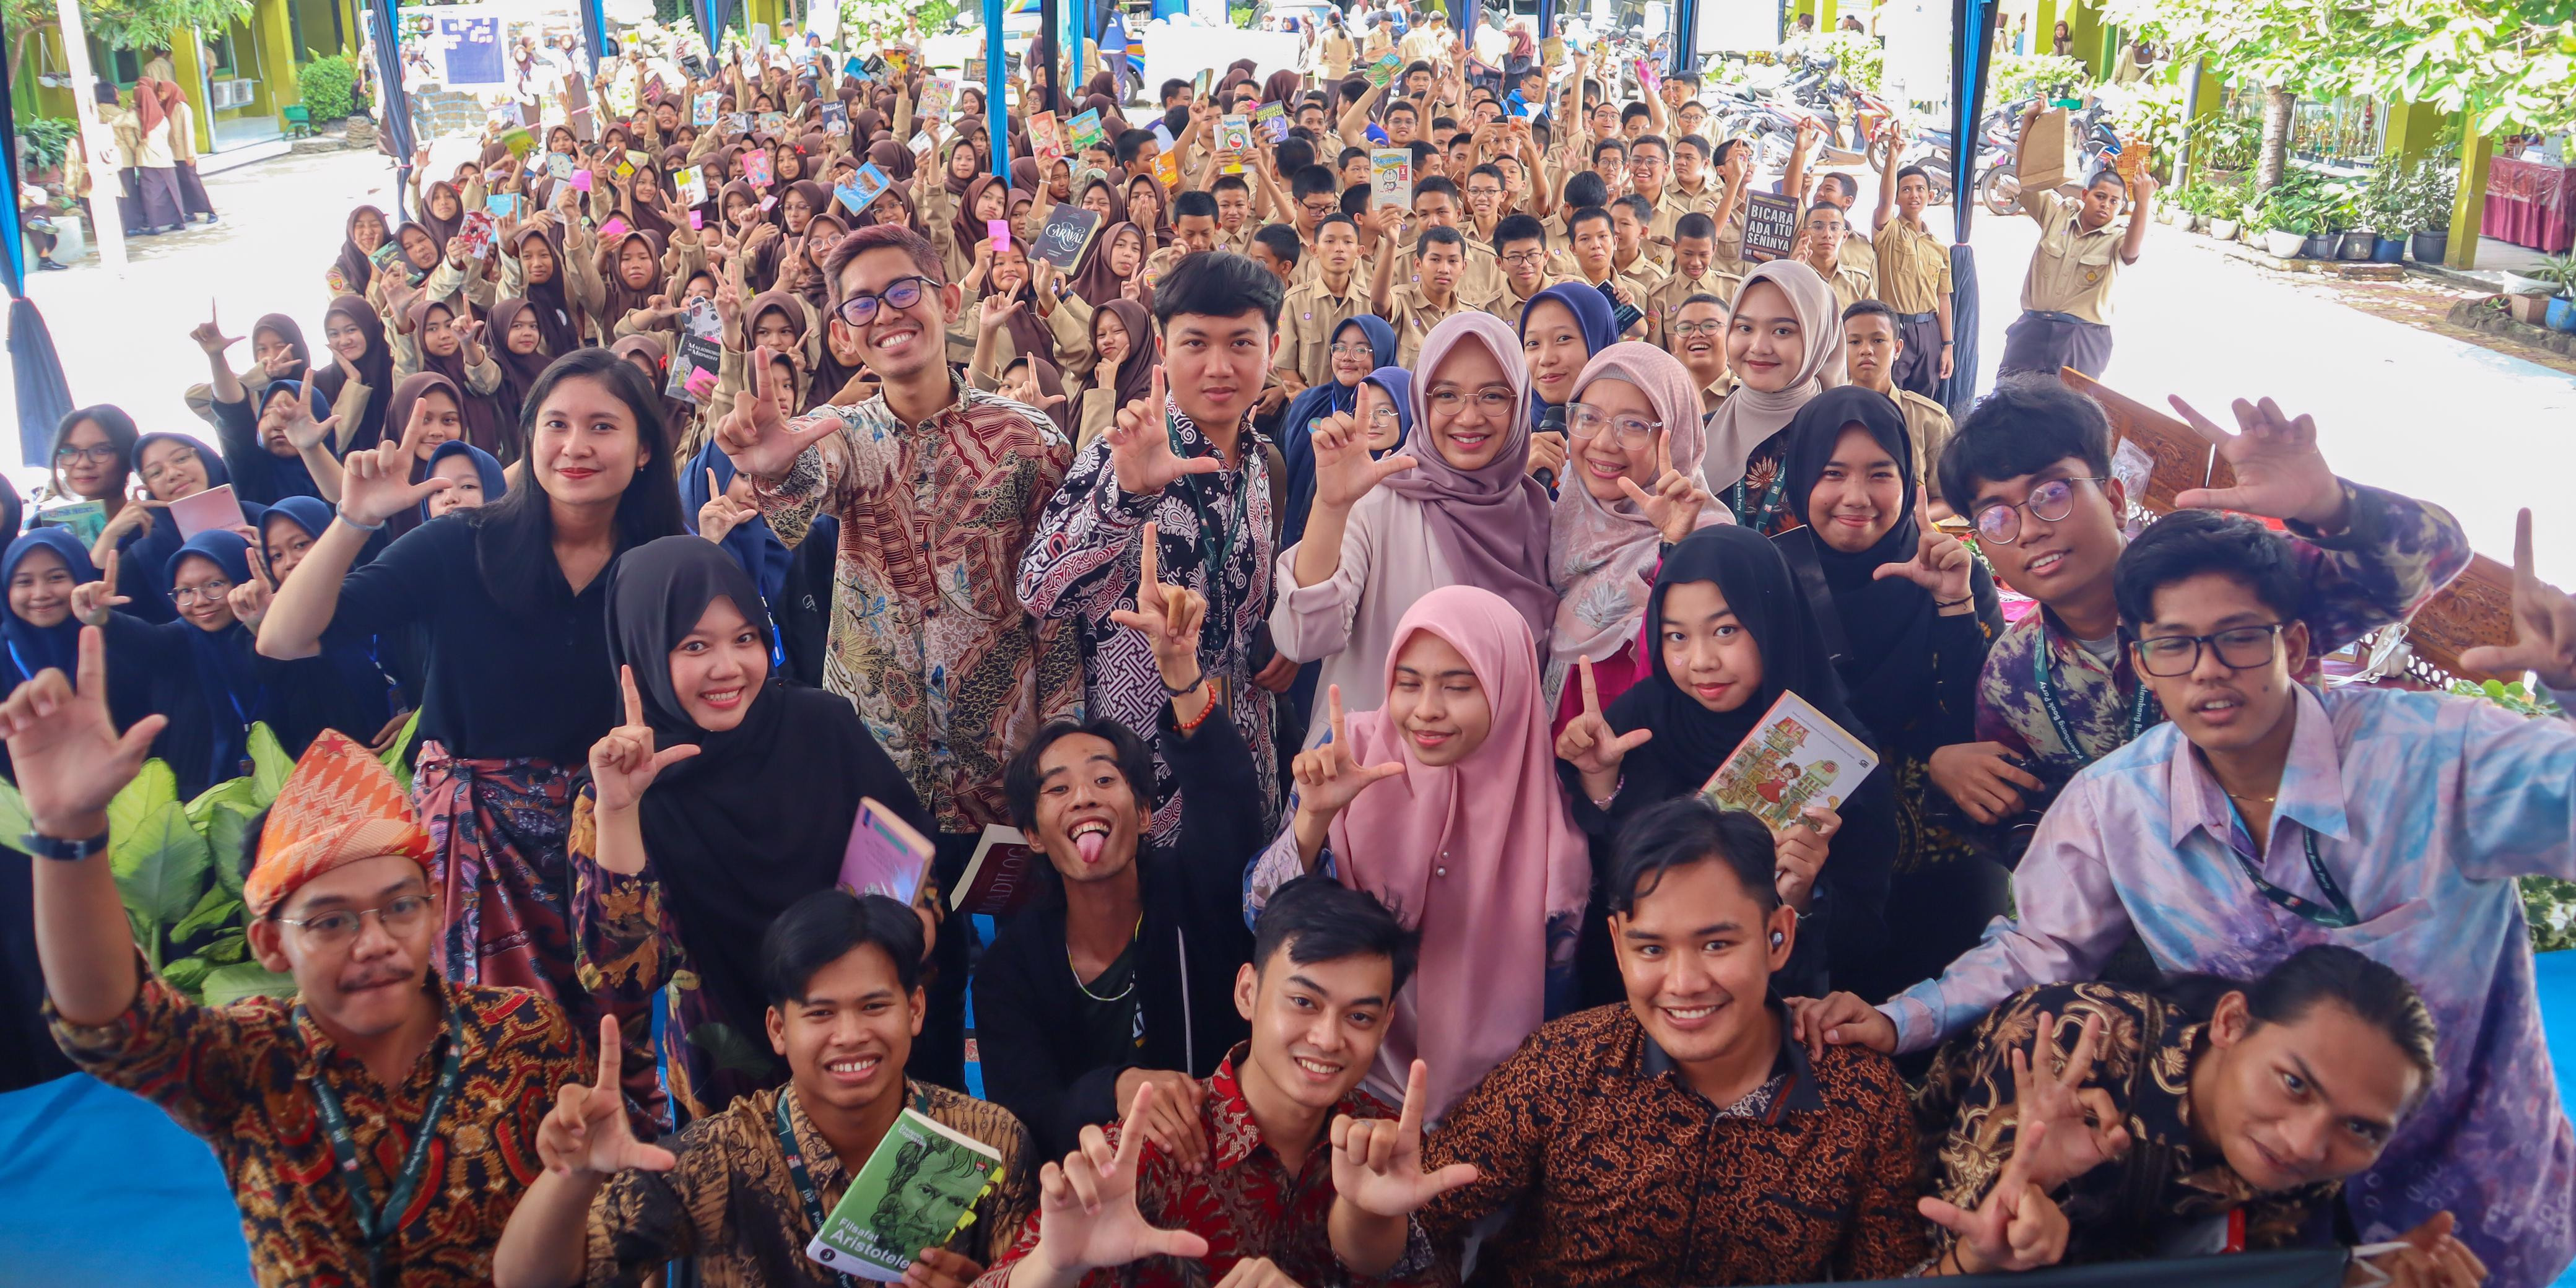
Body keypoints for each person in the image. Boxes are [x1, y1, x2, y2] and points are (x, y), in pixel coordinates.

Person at [1799, 503, 2576, 1288]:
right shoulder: (2116, 807)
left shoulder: (2431, 758)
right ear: (2142, 663)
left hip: (2476, 1205)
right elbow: (2038, 946)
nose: (2207, 670)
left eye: (2239, 636)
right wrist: (1897, 1019)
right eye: (2173, 644)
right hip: (2275, 1216)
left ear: (2294, 644)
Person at [17, 635, 586, 1286]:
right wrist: (69, 831)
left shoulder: (524, 1035)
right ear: (270, 946)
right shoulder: (251, 1058)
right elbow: (112, 1024)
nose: (374, 942)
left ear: (435, 909)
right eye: (331, 921)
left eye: (399, 908)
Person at [1328, 796, 2068, 1285]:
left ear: (1777, 936)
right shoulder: (1562, 1066)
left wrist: (1972, 1260)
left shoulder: (1857, 1098)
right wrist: (1368, 1215)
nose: (1681, 983)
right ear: (1616, 946)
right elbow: (1408, 1235)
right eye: (1651, 950)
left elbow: (1886, 1277)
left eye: (1716, 945)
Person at [258, 349, 687, 1008]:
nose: (575, 446)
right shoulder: (464, 542)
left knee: (610, 1026)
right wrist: (354, 520)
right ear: (529, 438)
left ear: (644, 450)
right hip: (474, 842)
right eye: (556, 425)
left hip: (608, 826)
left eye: (603, 427)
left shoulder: (663, 563)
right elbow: (285, 637)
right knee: (492, 1037)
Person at [1925, 385, 2469, 825]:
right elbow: (2026, 818)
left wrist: (2329, 505)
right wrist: (1949, 768)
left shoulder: (2231, 580)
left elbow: (2440, 555)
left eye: (2051, 494)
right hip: (2155, 929)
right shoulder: (2013, 675)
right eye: (1997, 516)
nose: (2029, 531)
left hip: (2311, 889)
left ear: (2114, 499)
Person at [490, 890, 1037, 1288]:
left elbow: (1032, 1271)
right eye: (820, 1013)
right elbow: (528, 1280)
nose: (850, 1036)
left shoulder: (988, 1141)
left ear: (915, 1010)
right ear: (779, 1029)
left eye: (874, 1006)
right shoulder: (714, 1158)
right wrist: (575, 1177)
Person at [564, 534, 932, 1121]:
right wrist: (619, 811)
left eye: (745, 638)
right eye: (693, 645)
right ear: (641, 652)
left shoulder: (822, 727)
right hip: (734, 1076)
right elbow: (620, 976)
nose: (727, 667)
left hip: (865, 1045)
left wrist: (910, 929)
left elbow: (912, 864)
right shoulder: (616, 788)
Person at [1881, 946, 2469, 1276]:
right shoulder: (2074, 1044)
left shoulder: (2311, 1168)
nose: (2308, 1144)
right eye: (2294, 1083)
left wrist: (2360, 1275)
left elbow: (2242, 1269)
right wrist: (2022, 1201)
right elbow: (1946, 1255)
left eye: (2362, 1127)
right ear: (2230, 1022)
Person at [974, 876, 1438, 1288]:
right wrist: (1053, 1269)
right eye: (1303, 1002)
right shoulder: (1150, 1149)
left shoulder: (1388, 1144)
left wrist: (1377, 1225)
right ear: (1247, 993)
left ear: (1385, 1023)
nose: (1328, 1038)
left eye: (1359, 1016)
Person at [1248, 585, 1590, 1120]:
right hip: (1341, 1082)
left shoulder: (1556, 809)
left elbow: (1565, 994)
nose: (1426, 711)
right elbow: (1261, 915)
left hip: (1494, 1113)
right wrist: (1314, 818)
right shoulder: (1348, 755)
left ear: (1509, 688)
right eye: (1408, 684)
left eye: (1457, 687)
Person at [977, 534, 1267, 1158]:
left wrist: (1181, 675)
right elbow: (1024, 1113)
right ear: (1031, 833)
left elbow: (1231, 808)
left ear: (1142, 811)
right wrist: (1115, 1088)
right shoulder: (1011, 968)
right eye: (1057, 789)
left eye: (1105, 779)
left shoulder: (1195, 900)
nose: (1084, 796)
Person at [1552, 524, 1895, 1000]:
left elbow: (1864, 935)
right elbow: (1602, 887)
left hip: (1769, 1011)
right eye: (1676, 636)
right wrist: (1600, 783)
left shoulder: (1838, 751)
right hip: (1640, 998)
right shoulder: (1641, 719)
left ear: (1774, 621)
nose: (1701, 660)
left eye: (1726, 630)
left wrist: (1803, 898)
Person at [1017, 251, 1293, 833]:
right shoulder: (1119, 453)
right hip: (1146, 785)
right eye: (1196, 343)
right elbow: (1039, 592)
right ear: (1164, 347)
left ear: (1271, 348)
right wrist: (1126, 496)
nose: (1219, 366)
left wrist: (1283, 643)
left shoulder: (1263, 463)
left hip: (1244, 766)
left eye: (1241, 343)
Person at [1770, 386, 2003, 998]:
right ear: (1799, 478)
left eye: (1880, 474)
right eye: (1831, 473)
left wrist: (1951, 605)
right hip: (1810, 865)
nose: (1855, 497)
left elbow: (1981, 727)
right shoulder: (1769, 577)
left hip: (1938, 866)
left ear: (1909, 482)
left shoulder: (1956, 571)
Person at [1271, 311, 1556, 748]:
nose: (1469, 416)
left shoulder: (1538, 516)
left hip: (1493, 788)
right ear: (1422, 402)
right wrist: (1331, 508)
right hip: (1377, 783)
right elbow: (1302, 639)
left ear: (1520, 404)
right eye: (1446, 395)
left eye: (1494, 396)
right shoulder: (1380, 503)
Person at [1543, 341, 1723, 719]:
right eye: (1588, 418)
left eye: (1635, 425)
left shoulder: (1709, 541)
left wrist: (1675, 547)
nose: (1604, 443)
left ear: (1677, 436)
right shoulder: (1558, 516)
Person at [1996, 105, 2156, 382]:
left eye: (2114, 201)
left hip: (2082, 338)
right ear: (2086, 194)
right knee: (2009, 404)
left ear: (2120, 208)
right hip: (2032, 330)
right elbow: (2028, 177)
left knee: (2069, 416)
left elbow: (2131, 252)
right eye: (2100, 196)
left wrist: (2143, 202)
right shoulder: (2055, 215)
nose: (2106, 205)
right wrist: (2028, 123)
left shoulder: (2117, 236)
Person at [1701, 260, 1841, 534]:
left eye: (1783, 331)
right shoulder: (1701, 434)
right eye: (1745, 328)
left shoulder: (1844, 437)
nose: (1759, 347)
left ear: (1818, 338)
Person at [1276, 313, 1397, 549]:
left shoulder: (1393, 414)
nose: (1347, 358)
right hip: (1291, 538)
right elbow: (1280, 461)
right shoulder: (1307, 402)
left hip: (1354, 544)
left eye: (1361, 350)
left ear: (1383, 353)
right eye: (1339, 348)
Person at [1840, 300, 1955, 500]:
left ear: (1898, 348)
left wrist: (1907, 523)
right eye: (1855, 342)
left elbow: (1948, 500)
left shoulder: (1930, 420)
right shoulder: (1825, 413)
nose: (1866, 350)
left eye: (1878, 340)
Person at [1868, 153, 1953, 398]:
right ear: (1897, 196)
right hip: (1895, 327)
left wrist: (1947, 346)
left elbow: (1943, 298)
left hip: (1929, 331)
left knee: (1924, 402)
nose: (1914, 195)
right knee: (1887, 396)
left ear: (1931, 196)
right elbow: (1883, 202)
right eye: (1906, 189)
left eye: (1920, 189)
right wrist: (1892, 159)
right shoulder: (1889, 231)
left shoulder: (1939, 247)